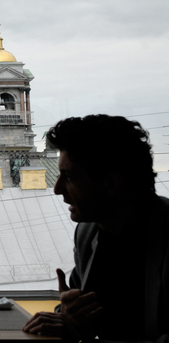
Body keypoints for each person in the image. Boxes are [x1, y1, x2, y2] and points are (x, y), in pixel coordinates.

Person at [23, 115, 169, 342]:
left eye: (69, 176)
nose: (57, 188)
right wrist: (70, 317)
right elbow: (87, 320)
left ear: (112, 184)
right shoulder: (88, 232)